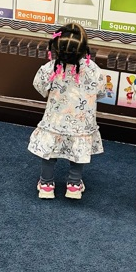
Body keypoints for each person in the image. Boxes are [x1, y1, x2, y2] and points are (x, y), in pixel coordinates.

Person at [28, 23, 104, 199]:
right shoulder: (93, 70)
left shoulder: (50, 69)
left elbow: (39, 86)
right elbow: (100, 92)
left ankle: (46, 185)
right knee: (78, 153)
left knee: (49, 152)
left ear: (55, 48)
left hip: (55, 121)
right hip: (82, 124)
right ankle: (74, 185)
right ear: (84, 49)